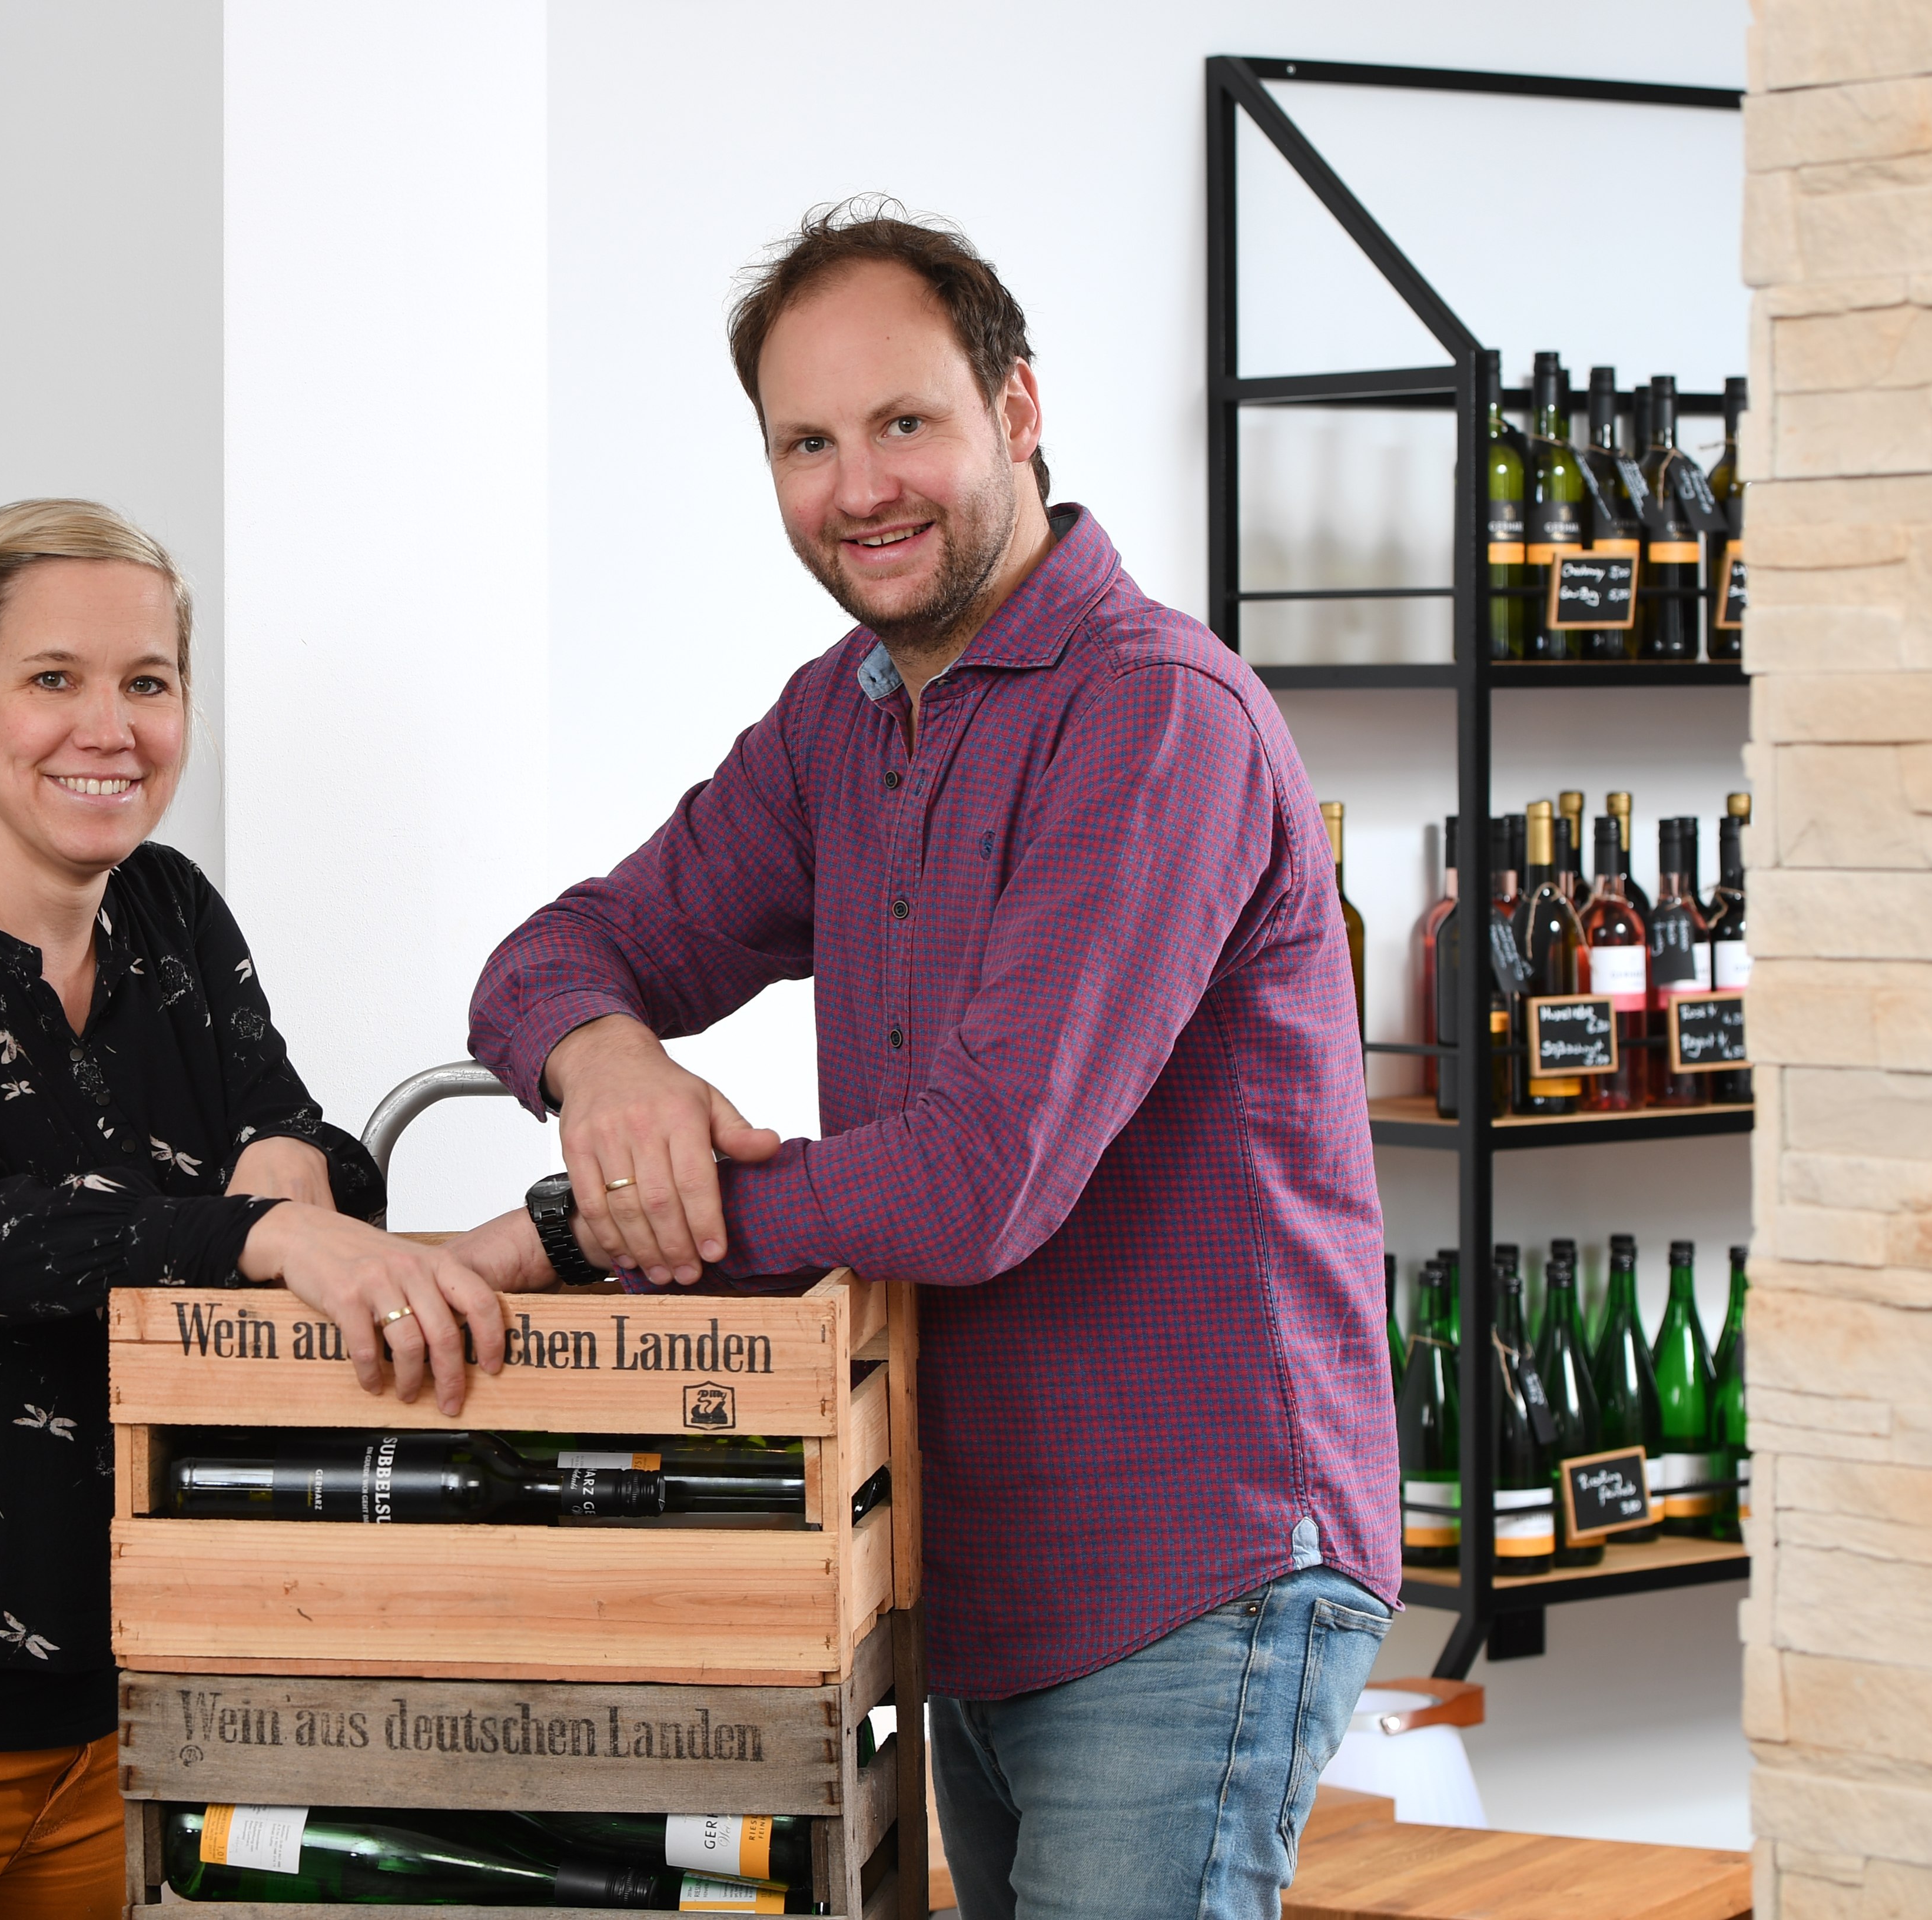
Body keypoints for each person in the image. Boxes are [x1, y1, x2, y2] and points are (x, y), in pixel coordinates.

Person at [453, 204, 1397, 1919]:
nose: (859, 487)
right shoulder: (845, 712)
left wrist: (583, 1226)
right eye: (806, 443)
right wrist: (605, 1065)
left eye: (903, 421)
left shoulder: (1149, 712)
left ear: (1016, 409)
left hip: (1189, 1564)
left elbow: (975, 1179)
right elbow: (555, 951)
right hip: (973, 1564)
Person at [0, 499, 508, 1920]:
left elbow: (289, 1132)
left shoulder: (170, 911)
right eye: (53, 678)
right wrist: (260, 1230)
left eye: (148, 681)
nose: (110, 727)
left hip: (133, 1711)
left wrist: (293, 1163)